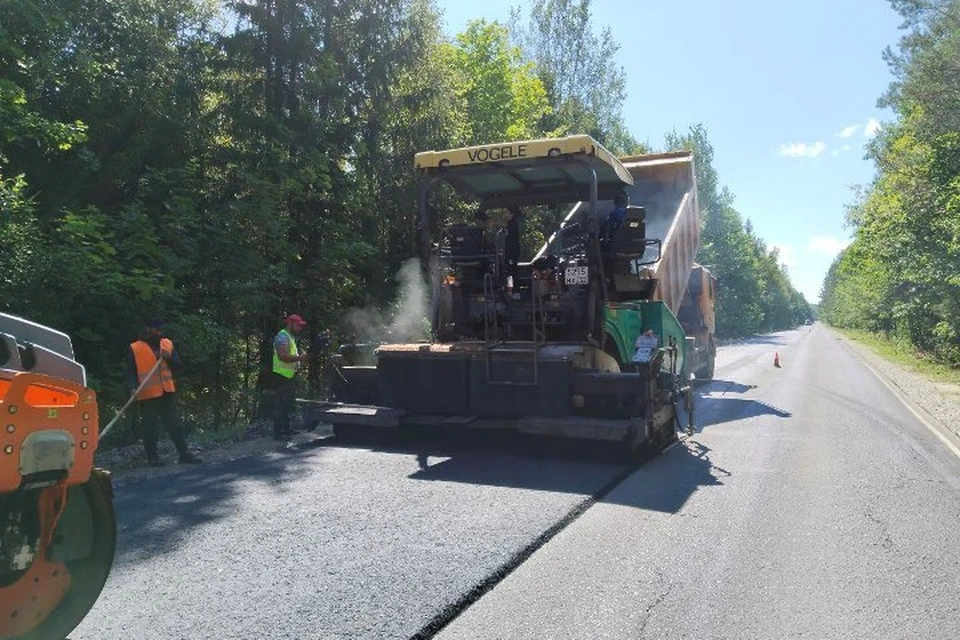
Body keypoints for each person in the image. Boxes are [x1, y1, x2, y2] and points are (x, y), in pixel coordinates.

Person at [128, 320, 201, 466]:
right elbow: (130, 372)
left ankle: (184, 454)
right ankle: (153, 458)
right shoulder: (135, 348)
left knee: (174, 424)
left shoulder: (167, 344)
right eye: (157, 330)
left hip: (167, 392)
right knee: (150, 427)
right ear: (149, 329)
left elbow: (178, 367)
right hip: (147, 394)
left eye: (161, 330)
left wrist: (169, 357)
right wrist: (132, 387)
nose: (160, 333)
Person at [272, 313, 310, 440]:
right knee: (280, 404)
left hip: (289, 375)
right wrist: (300, 358)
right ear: (290, 324)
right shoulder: (283, 336)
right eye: (298, 325)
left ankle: (286, 429)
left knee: (286, 403)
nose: (300, 328)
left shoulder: (290, 337)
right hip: (282, 375)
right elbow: (282, 356)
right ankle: (278, 432)